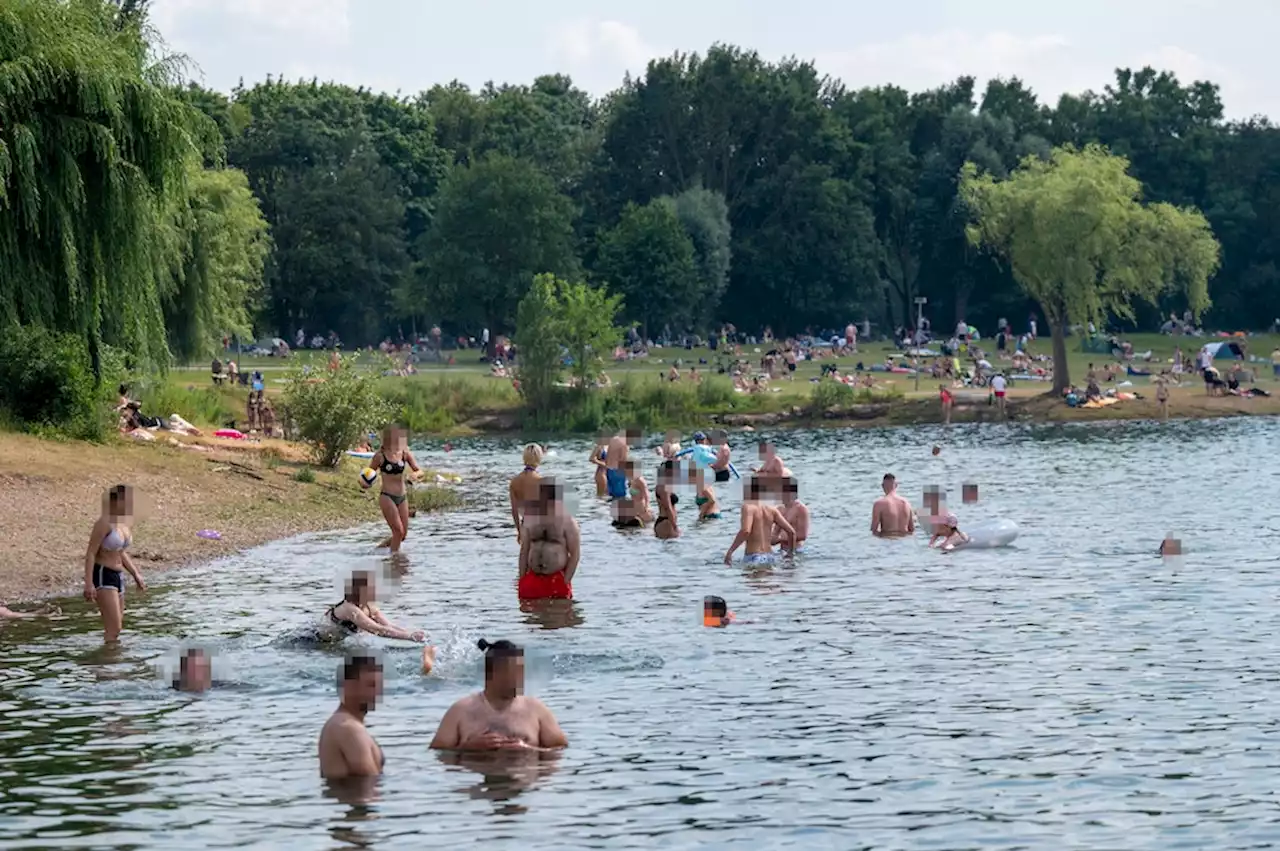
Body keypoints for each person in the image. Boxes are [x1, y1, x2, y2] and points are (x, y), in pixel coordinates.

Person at [429, 639, 568, 751]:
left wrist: (529, 749)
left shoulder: (536, 710)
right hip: (477, 780)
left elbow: (560, 749)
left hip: (524, 778)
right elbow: (438, 753)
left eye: (521, 673)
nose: (520, 679)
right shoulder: (460, 711)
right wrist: (468, 748)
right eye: (513, 673)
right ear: (492, 673)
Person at [324, 570, 434, 670]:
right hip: (320, 644)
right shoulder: (349, 609)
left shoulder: (368, 605)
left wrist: (413, 634)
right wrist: (409, 637)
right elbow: (377, 630)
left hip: (338, 644)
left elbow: (388, 626)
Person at [83, 484, 146, 643]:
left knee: (116, 630)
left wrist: (135, 574)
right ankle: (105, 664)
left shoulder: (124, 524)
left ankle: (110, 663)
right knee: (114, 628)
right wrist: (89, 583)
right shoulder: (104, 523)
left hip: (118, 576)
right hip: (103, 573)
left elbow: (120, 552)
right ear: (115, 501)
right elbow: (91, 552)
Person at [319, 653, 386, 780]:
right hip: (353, 799)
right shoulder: (347, 727)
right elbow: (369, 782)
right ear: (348, 686)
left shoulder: (349, 724)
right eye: (371, 685)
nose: (377, 693)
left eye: (379, 686)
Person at [518, 479, 580, 600]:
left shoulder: (568, 522)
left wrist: (566, 580)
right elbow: (524, 550)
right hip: (532, 578)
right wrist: (522, 579)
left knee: (558, 615)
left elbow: (575, 554)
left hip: (556, 578)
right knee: (529, 617)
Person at [371, 424, 420, 553]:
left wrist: (415, 475)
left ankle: (378, 550)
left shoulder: (405, 453)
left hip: (402, 497)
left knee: (402, 535)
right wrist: (365, 483)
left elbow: (420, 471)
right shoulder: (380, 456)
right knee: (398, 531)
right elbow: (368, 474)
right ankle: (394, 561)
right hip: (387, 496)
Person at [724, 476, 795, 564]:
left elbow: (746, 531)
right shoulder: (772, 509)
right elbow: (791, 532)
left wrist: (730, 551)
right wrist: (790, 553)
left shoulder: (748, 507)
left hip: (754, 557)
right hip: (770, 557)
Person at [509, 444, 543, 543]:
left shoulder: (514, 482)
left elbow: (514, 511)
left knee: (525, 557)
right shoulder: (541, 481)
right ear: (539, 458)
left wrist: (519, 531)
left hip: (526, 525)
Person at [871, 474, 915, 538]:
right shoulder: (906, 503)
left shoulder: (879, 504)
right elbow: (912, 529)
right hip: (904, 542)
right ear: (896, 485)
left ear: (882, 486)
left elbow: (874, 530)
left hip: (887, 541)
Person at [772, 477, 810, 550]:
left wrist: (780, 539)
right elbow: (775, 532)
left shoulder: (801, 509)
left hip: (797, 550)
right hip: (782, 550)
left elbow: (803, 535)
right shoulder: (780, 509)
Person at [653, 459, 682, 540]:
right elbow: (667, 507)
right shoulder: (663, 486)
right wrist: (675, 526)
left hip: (668, 522)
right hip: (665, 522)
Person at [604, 429, 634, 501]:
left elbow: (607, 458)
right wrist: (630, 479)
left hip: (609, 471)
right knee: (621, 498)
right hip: (618, 472)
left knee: (613, 496)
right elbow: (624, 461)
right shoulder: (624, 443)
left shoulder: (613, 440)